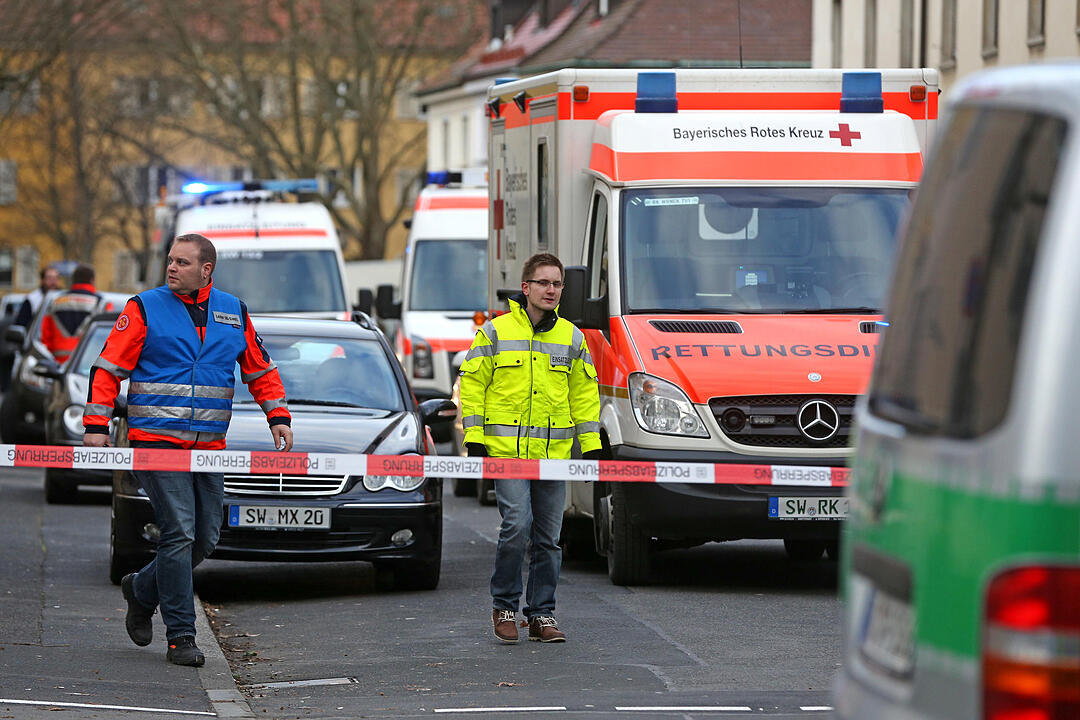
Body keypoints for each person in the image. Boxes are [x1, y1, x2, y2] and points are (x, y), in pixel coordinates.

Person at [82, 233, 293, 667]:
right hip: (156, 444)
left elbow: (260, 369)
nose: (171, 267)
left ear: (206, 269)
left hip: (209, 448)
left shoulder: (233, 312)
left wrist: (279, 417)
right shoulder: (143, 308)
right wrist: (95, 424)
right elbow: (107, 368)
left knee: (206, 538)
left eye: (182, 262)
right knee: (179, 531)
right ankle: (181, 636)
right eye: (170, 260)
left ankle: (140, 590)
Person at [459, 252, 601, 644]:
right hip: (507, 454)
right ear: (526, 288)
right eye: (544, 283)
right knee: (516, 526)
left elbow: (584, 395)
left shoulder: (572, 337)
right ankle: (504, 605)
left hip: (554, 458)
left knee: (549, 538)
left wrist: (590, 446)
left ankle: (541, 615)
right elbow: (472, 386)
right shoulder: (495, 331)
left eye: (557, 284)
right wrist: (474, 438)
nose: (552, 290)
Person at [39, 264, 107, 365]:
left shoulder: (55, 301)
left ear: (73, 281)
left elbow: (45, 335)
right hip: (88, 363)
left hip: (56, 364)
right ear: (92, 281)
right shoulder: (101, 303)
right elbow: (107, 337)